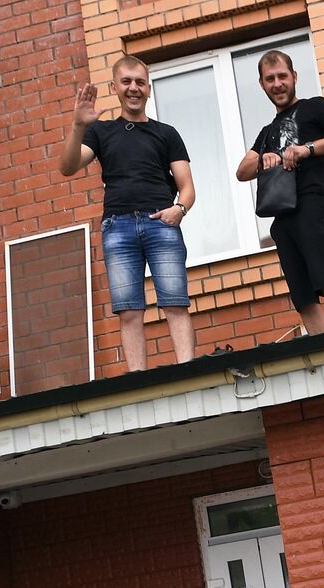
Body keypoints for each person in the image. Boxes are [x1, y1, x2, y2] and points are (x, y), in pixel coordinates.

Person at [60, 55, 196, 371]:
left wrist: (179, 210)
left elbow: (187, 186)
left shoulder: (166, 133)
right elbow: (67, 167)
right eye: (126, 82)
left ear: (148, 89)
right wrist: (78, 126)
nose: (133, 88)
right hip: (118, 228)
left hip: (161, 223)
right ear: (114, 87)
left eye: (140, 82)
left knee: (175, 302)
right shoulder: (100, 131)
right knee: (129, 311)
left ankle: (188, 372)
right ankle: (138, 379)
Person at [235, 50, 324, 334]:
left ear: (294, 76)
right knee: (302, 296)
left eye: (282, 76)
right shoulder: (267, 131)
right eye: (270, 79)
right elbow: (242, 171)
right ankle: (323, 349)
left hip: (315, 205)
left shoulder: (314, 107)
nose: (277, 84)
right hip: (283, 217)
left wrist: (308, 148)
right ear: (262, 84)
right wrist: (264, 159)